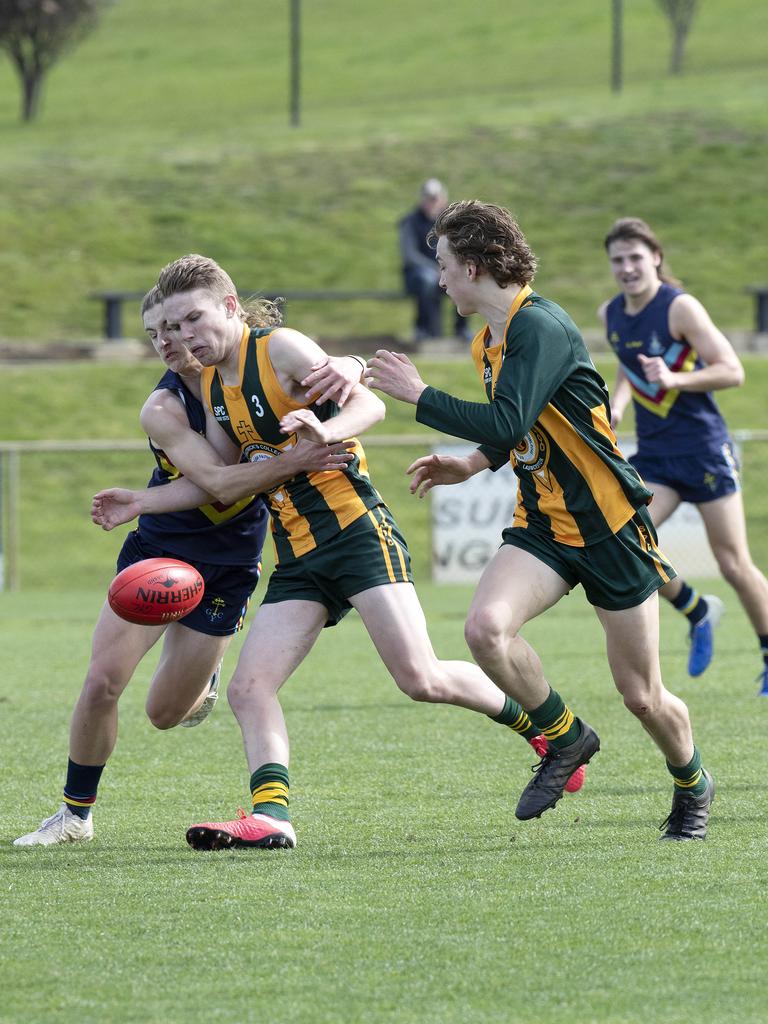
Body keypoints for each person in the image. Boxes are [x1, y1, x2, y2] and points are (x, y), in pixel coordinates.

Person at [122, 253, 585, 852]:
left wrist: (328, 430)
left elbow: (369, 404)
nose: (185, 337)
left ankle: (550, 731)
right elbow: (219, 478)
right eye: (174, 327)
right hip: (298, 553)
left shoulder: (280, 348)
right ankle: (272, 816)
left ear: (230, 307)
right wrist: (142, 500)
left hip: (357, 534)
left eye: (194, 320)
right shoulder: (211, 386)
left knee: (419, 677)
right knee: (247, 688)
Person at [365, 199, 715, 841]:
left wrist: (419, 396)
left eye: (442, 265)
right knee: (485, 630)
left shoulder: (540, 325)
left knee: (643, 696)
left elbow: (507, 418)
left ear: (473, 266)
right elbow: (516, 428)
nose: (438, 280)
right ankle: (565, 736)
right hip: (546, 525)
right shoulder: (488, 340)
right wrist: (473, 464)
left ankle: (692, 782)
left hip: (610, 527)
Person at [13, 287, 354, 848]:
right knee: (102, 682)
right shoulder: (163, 407)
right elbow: (219, 486)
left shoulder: (261, 369)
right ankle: (74, 814)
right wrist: (293, 461)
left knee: (166, 713)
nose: (167, 341)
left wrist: (350, 364)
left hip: (232, 565)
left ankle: (205, 678)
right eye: (154, 333)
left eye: (175, 325)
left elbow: (342, 387)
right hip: (160, 554)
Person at [600, 217, 768, 692]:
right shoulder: (611, 313)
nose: (627, 267)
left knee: (734, 562)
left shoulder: (680, 308)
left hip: (703, 450)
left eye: (636, 257)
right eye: (618, 260)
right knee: (621, 536)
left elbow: (731, 370)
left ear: (655, 257)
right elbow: (629, 363)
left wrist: (675, 380)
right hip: (655, 455)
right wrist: (618, 403)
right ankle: (696, 609)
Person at [398, 178, 471, 344]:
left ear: (443, 199)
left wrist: (448, 269)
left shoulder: (452, 222)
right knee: (427, 280)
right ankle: (424, 329)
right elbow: (410, 255)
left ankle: (462, 329)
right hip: (418, 273)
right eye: (429, 198)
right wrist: (435, 268)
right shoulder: (410, 222)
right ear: (422, 199)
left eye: (435, 198)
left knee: (464, 276)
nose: (432, 202)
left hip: (445, 269)